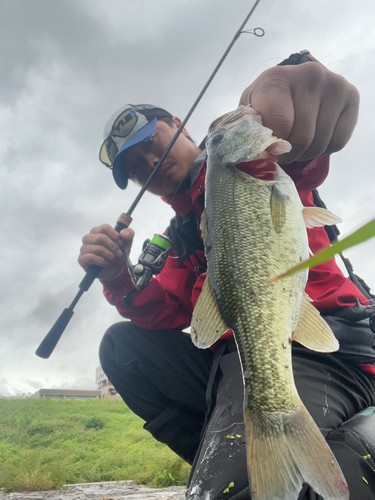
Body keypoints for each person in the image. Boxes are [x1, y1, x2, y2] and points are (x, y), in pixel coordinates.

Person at [78, 53, 375, 499]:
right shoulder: (182, 234)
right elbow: (164, 313)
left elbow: (302, 152)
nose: (150, 163)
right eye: (137, 168)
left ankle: (282, 460)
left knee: (239, 492)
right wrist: (119, 276)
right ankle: (229, 447)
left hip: (323, 348)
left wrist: (297, 80)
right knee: (121, 349)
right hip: (234, 359)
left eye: (151, 142)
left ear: (179, 123)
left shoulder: (248, 167)